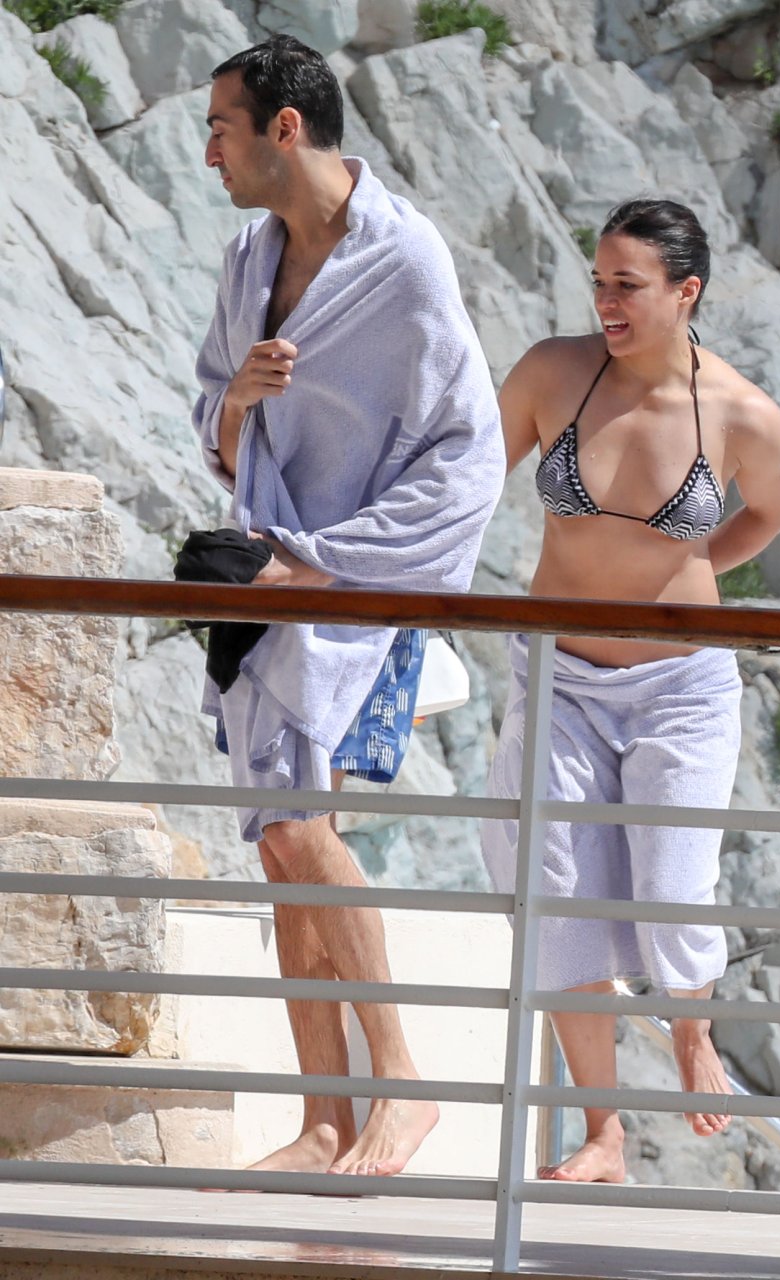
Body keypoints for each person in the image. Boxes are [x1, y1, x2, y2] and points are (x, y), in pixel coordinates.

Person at [192, 34, 504, 1178]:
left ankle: (402, 1084)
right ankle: (324, 1117)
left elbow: (466, 458)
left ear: (285, 128)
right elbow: (218, 430)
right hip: (269, 582)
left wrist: (332, 564)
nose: (209, 151)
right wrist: (239, 400)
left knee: (299, 830)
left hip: (356, 591)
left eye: (221, 127)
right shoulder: (247, 257)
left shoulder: (405, 260)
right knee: (281, 848)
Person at [480, 199, 780, 1183]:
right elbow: (468, 475)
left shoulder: (741, 412)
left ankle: (692, 1030)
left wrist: (689, 565)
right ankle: (603, 1134)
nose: (605, 301)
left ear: (684, 291)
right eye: (598, 281)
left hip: (681, 685)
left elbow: (769, 515)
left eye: (627, 284)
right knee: (558, 890)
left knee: (670, 882)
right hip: (561, 675)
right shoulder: (552, 372)